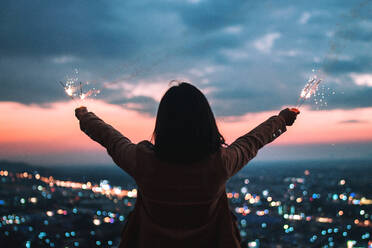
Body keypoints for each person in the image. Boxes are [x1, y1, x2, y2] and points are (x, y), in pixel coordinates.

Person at [75, 82, 299, 248]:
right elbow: (251, 142)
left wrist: (85, 117)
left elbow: (111, 139)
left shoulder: (143, 163)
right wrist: (281, 120)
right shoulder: (219, 165)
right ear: (207, 121)